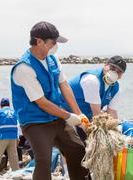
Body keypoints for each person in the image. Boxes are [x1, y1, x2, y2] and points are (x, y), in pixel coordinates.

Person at [10, 21, 89, 180]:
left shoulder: (53, 59)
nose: (56, 46)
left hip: (55, 117)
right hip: (34, 121)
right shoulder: (24, 68)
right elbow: (41, 102)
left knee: (78, 149)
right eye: (53, 42)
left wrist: (79, 115)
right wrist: (68, 116)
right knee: (44, 160)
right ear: (39, 41)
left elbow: (64, 85)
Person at [63, 56, 126, 142]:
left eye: (119, 72)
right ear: (105, 65)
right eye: (112, 68)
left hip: (85, 115)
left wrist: (117, 132)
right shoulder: (92, 80)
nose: (114, 72)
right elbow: (97, 115)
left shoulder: (116, 89)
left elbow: (112, 112)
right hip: (65, 110)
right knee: (76, 146)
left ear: (121, 76)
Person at [0, 98, 19, 175]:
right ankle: (16, 173)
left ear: (1, 105)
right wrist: (17, 138)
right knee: (13, 157)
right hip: (13, 137)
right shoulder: (14, 112)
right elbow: (18, 126)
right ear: (9, 105)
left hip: (2, 137)